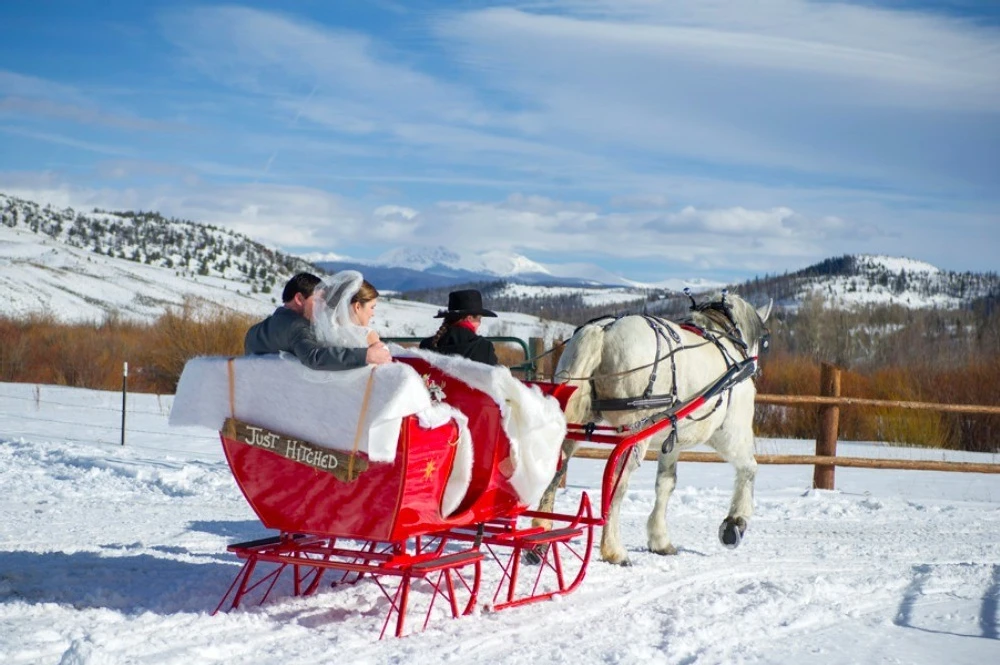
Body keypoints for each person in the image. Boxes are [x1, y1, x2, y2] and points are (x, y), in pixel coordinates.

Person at [245, 271, 391, 369]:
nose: (322, 307)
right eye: (318, 301)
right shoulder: (297, 327)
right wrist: (365, 355)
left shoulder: (255, 331)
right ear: (299, 299)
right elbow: (314, 357)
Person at [419, 289, 498, 365]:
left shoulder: (426, 345)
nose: (480, 323)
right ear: (469, 318)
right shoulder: (484, 348)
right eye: (479, 319)